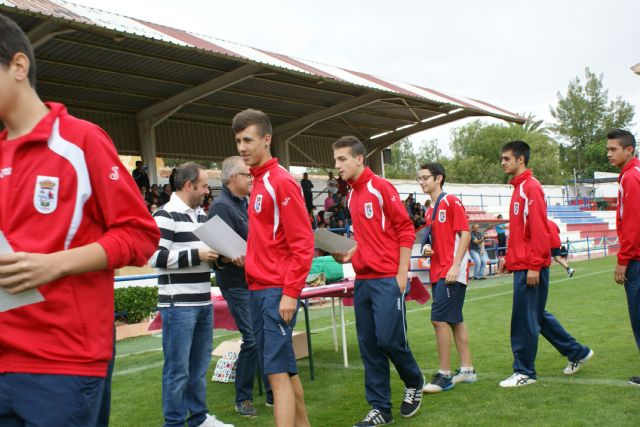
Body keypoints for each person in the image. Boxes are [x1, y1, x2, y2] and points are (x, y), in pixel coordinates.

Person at [0, 13, 160, 426]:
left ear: (19, 66)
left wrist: (53, 263)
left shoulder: (80, 140)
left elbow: (140, 236)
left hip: (62, 362)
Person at [332, 136, 424, 426]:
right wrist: (349, 255)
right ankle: (380, 409)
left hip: (387, 279)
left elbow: (405, 230)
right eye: (335, 161)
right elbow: (367, 239)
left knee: (389, 340)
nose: (338, 166)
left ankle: (414, 381)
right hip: (363, 281)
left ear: (359, 159)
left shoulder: (380, 187)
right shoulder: (351, 196)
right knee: (369, 346)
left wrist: (401, 274)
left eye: (342, 159)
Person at [233, 109, 313, 427]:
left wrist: (290, 292)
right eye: (238, 140)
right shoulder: (259, 182)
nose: (242, 147)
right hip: (259, 289)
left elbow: (303, 244)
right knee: (285, 372)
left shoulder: (281, 182)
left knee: (276, 376)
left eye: (248, 140)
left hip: (275, 292)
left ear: (266, 139)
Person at [498, 140, 593, 388]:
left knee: (524, 320)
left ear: (520, 160)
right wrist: (510, 260)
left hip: (531, 265)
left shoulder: (530, 187)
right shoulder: (519, 188)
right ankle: (577, 352)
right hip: (523, 263)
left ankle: (524, 372)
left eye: (507, 158)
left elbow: (540, 231)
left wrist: (534, 265)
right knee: (537, 316)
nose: (503, 163)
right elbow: (521, 233)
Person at [148, 162, 232, 427]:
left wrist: (226, 258)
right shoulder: (165, 214)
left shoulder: (200, 216)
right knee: (178, 370)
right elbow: (153, 256)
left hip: (203, 301)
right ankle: (173, 423)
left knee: (197, 369)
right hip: (178, 305)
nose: (207, 191)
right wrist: (196, 254)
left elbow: (208, 257)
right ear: (188, 185)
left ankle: (198, 418)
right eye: (204, 185)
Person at [209, 156, 272, 416]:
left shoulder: (242, 203)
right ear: (234, 177)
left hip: (252, 278)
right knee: (253, 338)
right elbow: (216, 250)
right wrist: (228, 256)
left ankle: (272, 392)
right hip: (236, 282)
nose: (252, 178)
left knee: (264, 336)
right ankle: (243, 398)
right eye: (248, 175)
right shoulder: (221, 207)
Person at [418, 163, 476, 394]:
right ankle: (467, 370)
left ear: (438, 178)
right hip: (438, 270)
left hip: (451, 272)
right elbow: (432, 241)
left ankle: (444, 375)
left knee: (439, 320)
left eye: (425, 178)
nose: (421, 181)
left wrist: (454, 265)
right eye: (419, 178)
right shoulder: (429, 210)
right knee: (454, 320)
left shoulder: (451, 201)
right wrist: (427, 250)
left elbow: (465, 234)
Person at [606, 129, 640, 386]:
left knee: (638, 314)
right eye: (608, 149)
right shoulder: (631, 175)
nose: (609, 153)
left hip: (637, 259)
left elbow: (633, 222)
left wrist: (623, 259)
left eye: (613, 149)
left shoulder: (630, 177)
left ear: (629, 150)